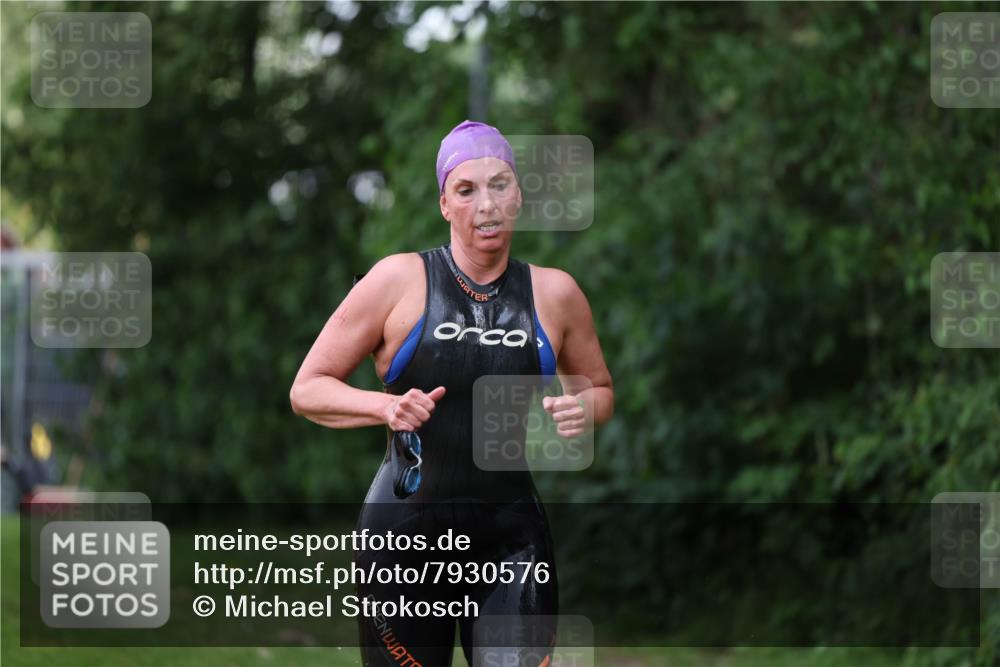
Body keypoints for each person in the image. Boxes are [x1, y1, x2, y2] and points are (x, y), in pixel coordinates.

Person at [290, 120, 614, 667]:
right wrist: (385, 406)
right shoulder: (399, 281)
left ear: (520, 197)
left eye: (500, 185)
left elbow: (601, 389)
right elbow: (308, 389)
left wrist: (582, 407)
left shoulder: (556, 294)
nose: (486, 204)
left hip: (512, 539)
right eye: (467, 190)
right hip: (404, 535)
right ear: (445, 203)